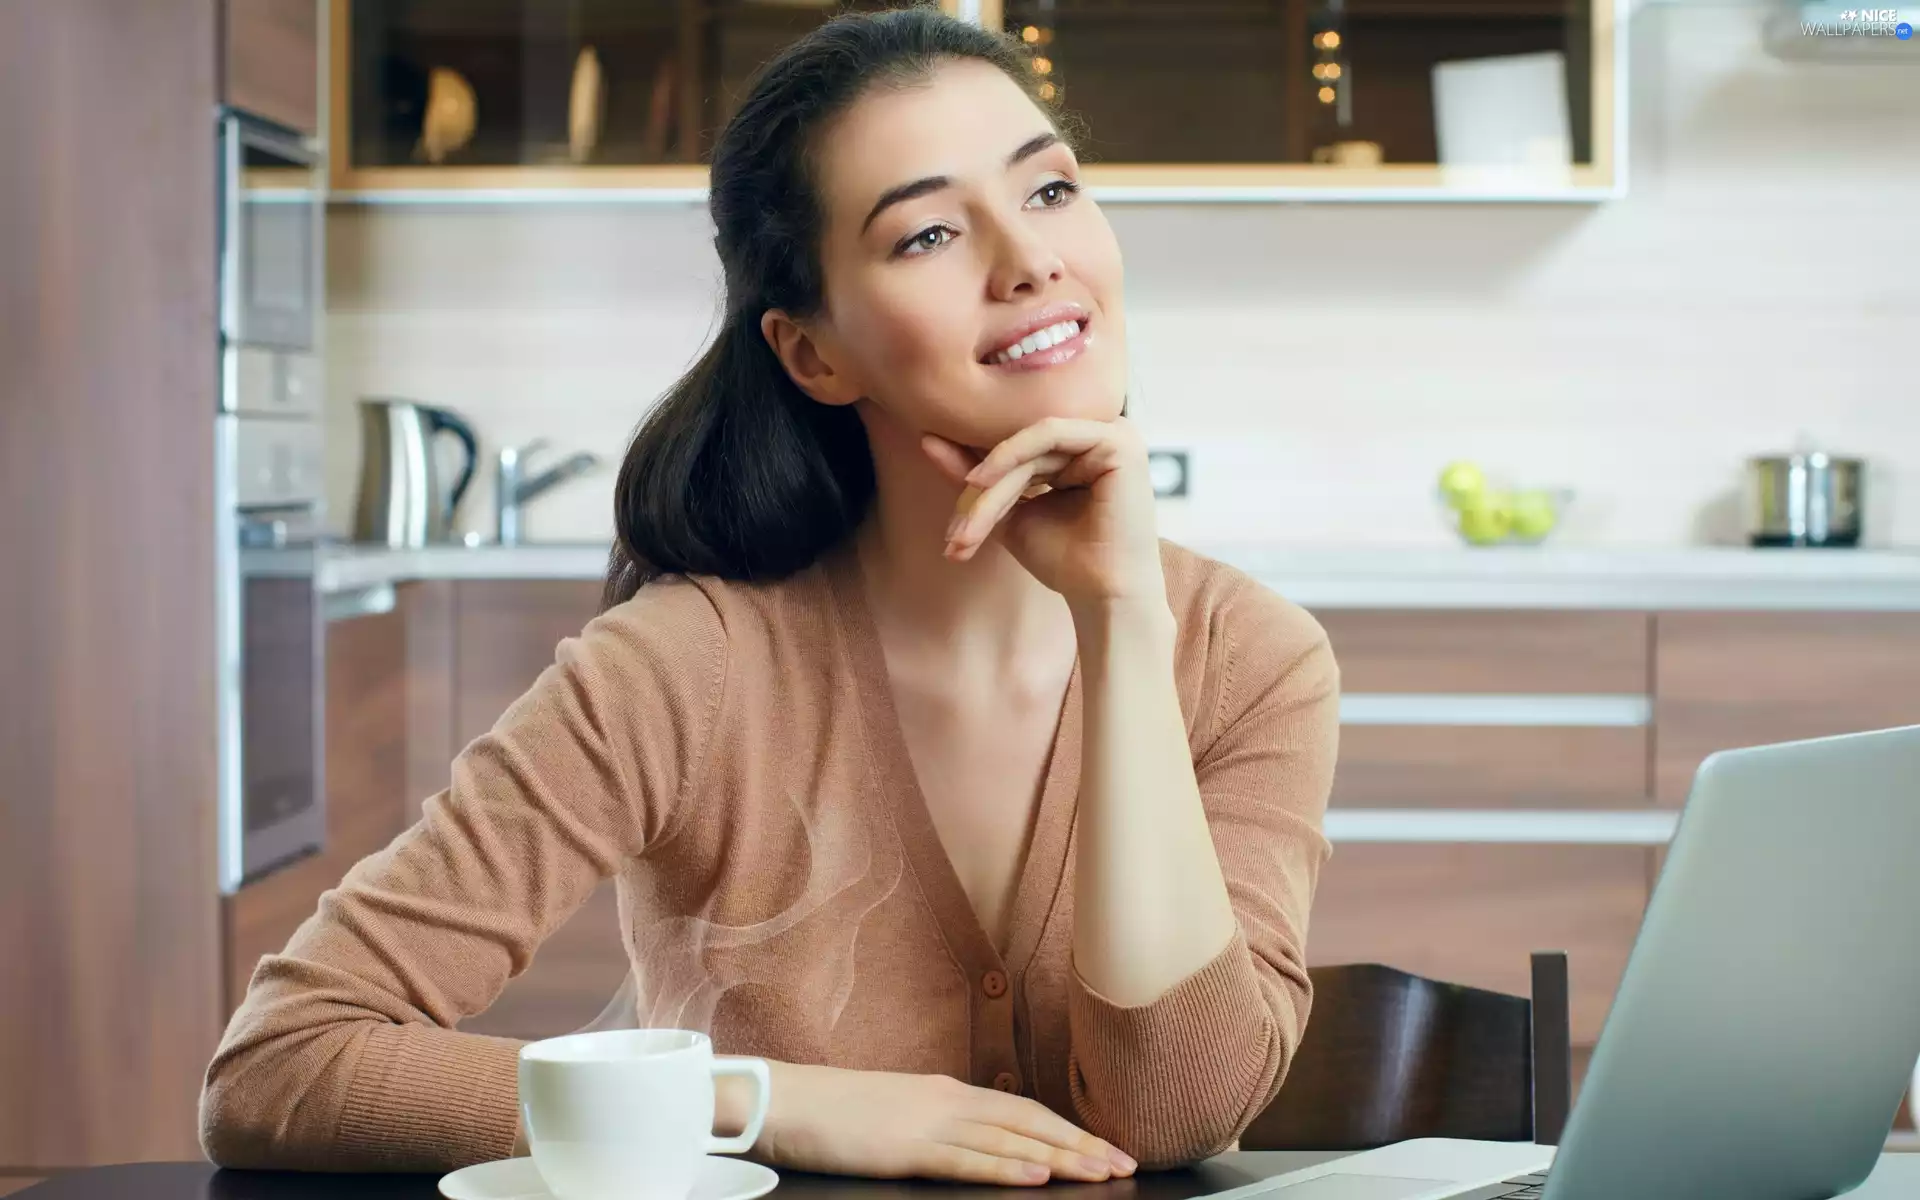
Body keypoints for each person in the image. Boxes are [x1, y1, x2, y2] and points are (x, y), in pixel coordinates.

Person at [201, 5, 1339, 1186]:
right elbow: (280, 1064)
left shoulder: (1248, 657)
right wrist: (761, 1103)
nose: (1032, 260)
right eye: (928, 235)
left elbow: (1175, 1118)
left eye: (1050, 191)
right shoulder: (679, 669)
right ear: (813, 353)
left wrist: (1121, 621)